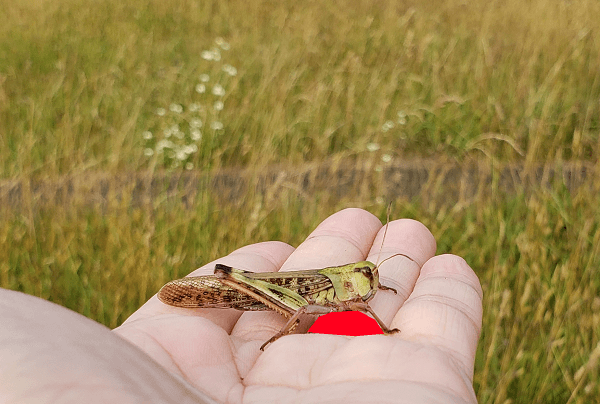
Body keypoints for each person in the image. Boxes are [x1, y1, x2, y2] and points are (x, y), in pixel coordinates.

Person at [0, 208, 482, 403]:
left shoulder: (358, 287)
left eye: (371, 278)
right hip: (270, 292)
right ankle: (261, 316)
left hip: (290, 293)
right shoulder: (342, 289)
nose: (370, 285)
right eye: (368, 277)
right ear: (354, 277)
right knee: (276, 299)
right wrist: (277, 334)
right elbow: (326, 307)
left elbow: (363, 301)